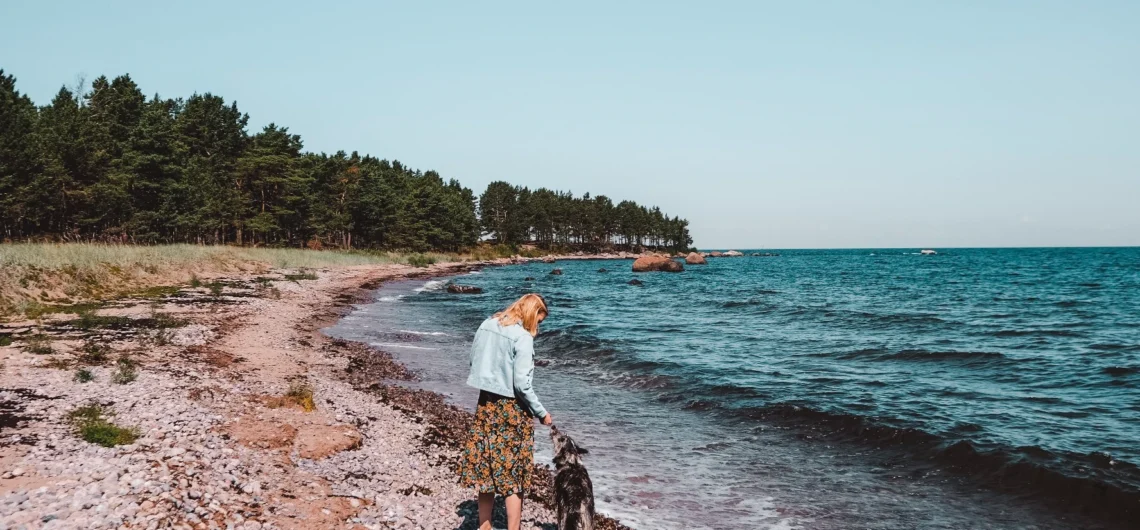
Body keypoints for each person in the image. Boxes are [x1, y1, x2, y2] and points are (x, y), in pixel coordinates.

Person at [458, 293, 553, 530]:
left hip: (486, 403)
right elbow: (522, 384)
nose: (537, 327)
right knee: (514, 475)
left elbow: (474, 360)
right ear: (533, 314)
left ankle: (485, 525)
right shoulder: (522, 338)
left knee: (487, 469)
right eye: (539, 321)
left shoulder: (487, 324)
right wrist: (541, 412)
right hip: (511, 410)